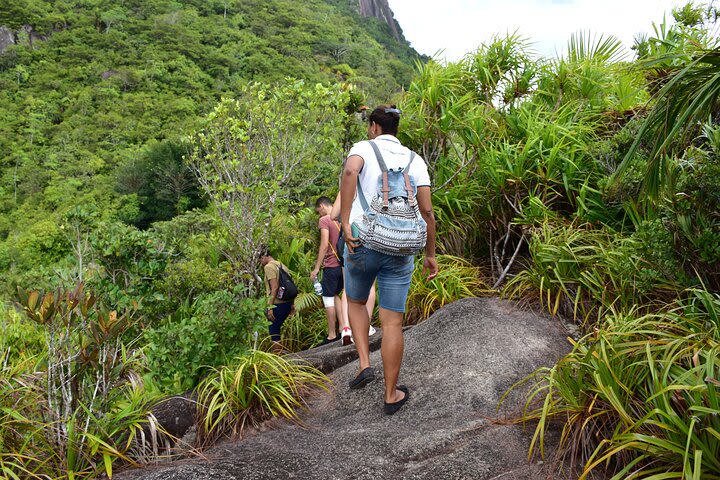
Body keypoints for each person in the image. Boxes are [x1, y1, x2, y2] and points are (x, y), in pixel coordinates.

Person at [341, 104, 438, 415]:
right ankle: (391, 394)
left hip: (363, 241)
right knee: (392, 322)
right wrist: (430, 254)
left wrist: (344, 221)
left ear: (373, 127)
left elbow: (349, 171)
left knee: (356, 302)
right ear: (396, 130)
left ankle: (365, 365)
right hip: (401, 247)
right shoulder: (415, 160)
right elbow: (427, 212)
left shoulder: (363, 148)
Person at [329, 195, 378, 341]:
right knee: (370, 286)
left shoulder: (346, 186)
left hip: (349, 237)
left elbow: (333, 215)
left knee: (347, 287)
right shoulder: (375, 181)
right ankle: (365, 326)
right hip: (369, 237)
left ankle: (346, 328)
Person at [311, 196, 351, 345]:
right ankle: (343, 327)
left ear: (322, 206)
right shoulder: (340, 218)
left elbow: (324, 245)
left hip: (331, 265)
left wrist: (316, 268)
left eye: (318, 211)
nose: (319, 214)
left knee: (327, 297)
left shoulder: (324, 220)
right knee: (335, 294)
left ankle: (331, 335)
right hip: (343, 264)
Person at [259, 247, 295, 353]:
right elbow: (290, 285)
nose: (260, 262)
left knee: (274, 332)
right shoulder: (281, 265)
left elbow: (274, 287)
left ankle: (278, 361)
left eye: (260, 259)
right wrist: (292, 304)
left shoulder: (269, 267)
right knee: (276, 330)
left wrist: (270, 307)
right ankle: (280, 356)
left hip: (277, 304)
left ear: (265, 256)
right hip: (287, 303)